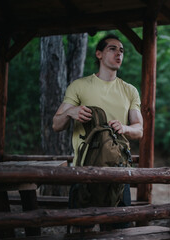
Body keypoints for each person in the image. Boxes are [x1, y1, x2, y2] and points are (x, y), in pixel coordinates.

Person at [52, 34, 143, 231]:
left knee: (118, 233)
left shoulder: (130, 91)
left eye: (122, 50)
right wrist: (70, 112)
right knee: (80, 231)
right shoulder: (79, 86)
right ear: (99, 53)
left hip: (118, 173)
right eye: (113, 48)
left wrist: (125, 128)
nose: (119, 53)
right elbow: (56, 124)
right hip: (84, 171)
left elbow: (139, 129)